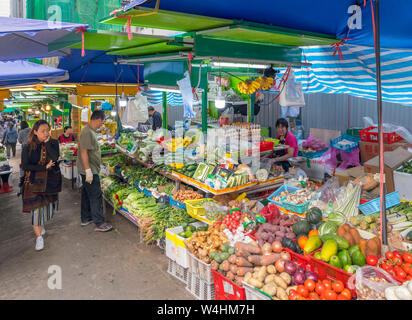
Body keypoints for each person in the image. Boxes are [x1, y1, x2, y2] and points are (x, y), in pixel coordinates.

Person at [21, 120, 62, 251]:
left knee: (48, 209)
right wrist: (43, 167)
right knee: (36, 210)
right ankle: (39, 237)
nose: (46, 133)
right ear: (35, 131)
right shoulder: (28, 146)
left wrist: (47, 144)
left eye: (47, 130)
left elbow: (56, 157)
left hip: (50, 182)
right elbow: (25, 165)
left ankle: (41, 223)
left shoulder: (53, 142)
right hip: (34, 182)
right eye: (42, 131)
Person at [77, 110, 113, 232]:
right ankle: (99, 223)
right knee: (95, 195)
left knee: (87, 194)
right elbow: (83, 152)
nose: (101, 125)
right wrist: (88, 171)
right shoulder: (87, 132)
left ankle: (86, 218)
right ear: (97, 119)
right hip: (89, 169)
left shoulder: (90, 131)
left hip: (90, 168)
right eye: (101, 122)